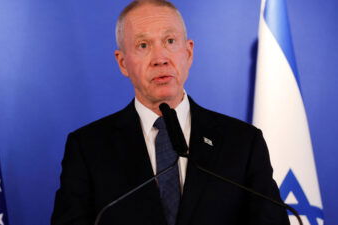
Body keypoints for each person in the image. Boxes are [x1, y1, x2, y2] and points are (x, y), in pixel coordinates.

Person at [51, 1, 290, 225]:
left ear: (189, 52)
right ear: (122, 62)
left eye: (170, 41)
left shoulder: (243, 142)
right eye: (143, 45)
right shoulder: (88, 147)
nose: (160, 58)